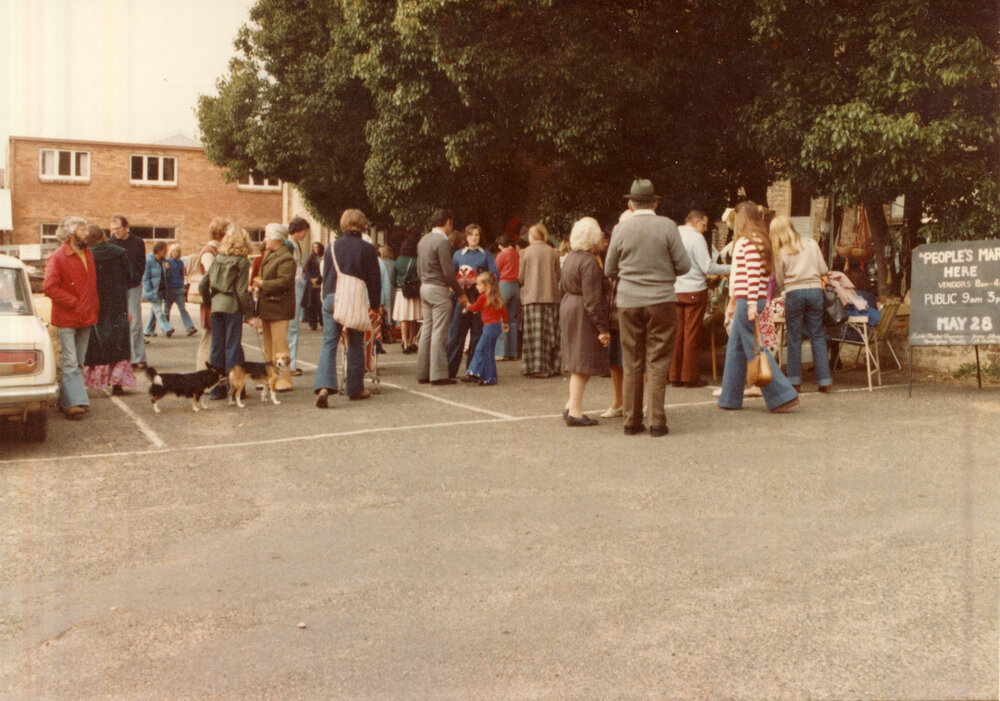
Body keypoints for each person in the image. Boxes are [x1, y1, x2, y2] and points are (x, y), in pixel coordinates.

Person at [605, 179, 691, 437]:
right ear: (656, 202)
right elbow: (684, 266)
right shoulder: (667, 226)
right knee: (658, 360)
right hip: (661, 300)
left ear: (629, 203)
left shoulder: (621, 229)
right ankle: (656, 422)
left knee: (631, 360)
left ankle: (631, 421)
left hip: (629, 302)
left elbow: (609, 269)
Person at [717, 201, 800, 413]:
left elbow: (751, 277)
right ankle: (729, 398)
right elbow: (748, 277)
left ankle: (783, 396)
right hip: (749, 300)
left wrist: (749, 304)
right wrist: (734, 303)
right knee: (736, 349)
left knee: (755, 349)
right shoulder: (761, 241)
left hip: (749, 301)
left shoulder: (748, 242)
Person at [314, 209, 382, 406]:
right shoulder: (368, 249)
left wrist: (327, 298)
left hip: (331, 298)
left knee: (329, 342)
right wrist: (375, 305)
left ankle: (324, 386)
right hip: (352, 299)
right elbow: (374, 281)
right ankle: (355, 388)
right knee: (355, 343)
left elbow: (326, 275)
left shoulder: (331, 246)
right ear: (363, 225)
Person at [43, 216, 99, 419]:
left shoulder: (88, 254)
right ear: (71, 233)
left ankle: (66, 400)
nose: (87, 233)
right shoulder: (57, 257)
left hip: (87, 315)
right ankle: (75, 403)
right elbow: (49, 287)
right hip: (68, 317)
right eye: (82, 229)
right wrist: (73, 302)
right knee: (70, 361)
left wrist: (91, 307)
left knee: (79, 361)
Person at [771, 215, 832, 393]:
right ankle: (825, 381)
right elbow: (823, 270)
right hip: (814, 291)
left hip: (794, 293)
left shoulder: (781, 251)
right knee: (818, 335)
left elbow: (780, 278)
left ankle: (795, 382)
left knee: (794, 338)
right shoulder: (811, 243)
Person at [670, 209, 731, 388]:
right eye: (704, 224)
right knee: (692, 334)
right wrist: (732, 268)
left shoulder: (674, 233)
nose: (705, 229)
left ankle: (674, 374)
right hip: (694, 290)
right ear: (696, 222)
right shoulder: (696, 238)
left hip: (675, 289)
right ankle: (689, 376)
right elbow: (707, 267)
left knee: (678, 333)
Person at [560, 217, 611, 427]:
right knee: (582, 364)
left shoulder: (571, 257)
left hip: (569, 305)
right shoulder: (589, 262)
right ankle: (575, 412)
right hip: (582, 310)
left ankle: (571, 404)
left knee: (578, 360)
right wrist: (602, 328)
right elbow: (592, 300)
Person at [416, 208, 468, 385]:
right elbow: (447, 272)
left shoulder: (423, 240)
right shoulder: (442, 241)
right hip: (438, 288)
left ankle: (423, 372)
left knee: (427, 331)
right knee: (439, 331)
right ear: (448, 222)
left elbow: (419, 268)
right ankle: (438, 374)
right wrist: (460, 293)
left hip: (425, 286)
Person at [199, 225, 253, 395]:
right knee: (232, 348)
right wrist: (250, 315)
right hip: (233, 307)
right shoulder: (242, 262)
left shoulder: (218, 258)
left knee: (216, 348)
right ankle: (235, 390)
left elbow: (202, 284)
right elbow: (242, 292)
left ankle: (216, 389)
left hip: (217, 306)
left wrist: (210, 302)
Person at [82, 225, 135, 396]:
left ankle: (95, 382)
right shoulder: (118, 252)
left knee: (97, 341)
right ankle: (117, 383)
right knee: (118, 341)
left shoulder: (86, 255)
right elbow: (130, 276)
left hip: (95, 303)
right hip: (117, 302)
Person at [446, 224, 499, 378]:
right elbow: (451, 276)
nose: (474, 238)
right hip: (462, 298)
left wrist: (479, 280)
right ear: (466, 237)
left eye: (477, 235)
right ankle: (450, 371)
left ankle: (473, 371)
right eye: (471, 235)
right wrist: (456, 285)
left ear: (480, 237)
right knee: (456, 335)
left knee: (477, 335)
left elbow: (495, 276)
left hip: (479, 298)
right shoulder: (458, 255)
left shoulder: (486, 255)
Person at [252, 225, 297, 390]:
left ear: (277, 238)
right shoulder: (269, 254)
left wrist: (264, 284)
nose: (265, 240)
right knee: (269, 345)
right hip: (268, 307)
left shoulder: (286, 258)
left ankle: (284, 380)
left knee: (280, 345)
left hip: (280, 308)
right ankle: (271, 377)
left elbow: (285, 282)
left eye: (267, 236)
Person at [518, 223, 562, 378]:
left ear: (531, 236)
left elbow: (521, 277)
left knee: (534, 334)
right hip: (551, 297)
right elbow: (558, 275)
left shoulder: (525, 253)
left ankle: (534, 367)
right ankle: (552, 366)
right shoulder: (554, 252)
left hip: (531, 297)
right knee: (550, 333)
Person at [189, 217, 229, 376]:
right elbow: (214, 276)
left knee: (213, 338)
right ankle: (202, 374)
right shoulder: (209, 252)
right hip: (212, 301)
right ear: (221, 234)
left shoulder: (216, 250)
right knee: (209, 338)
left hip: (215, 300)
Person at [109, 214, 147, 370]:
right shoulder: (111, 243)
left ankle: (139, 357)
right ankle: (124, 358)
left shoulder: (138, 243)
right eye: (112, 229)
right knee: (120, 324)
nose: (115, 232)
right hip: (116, 289)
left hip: (133, 287)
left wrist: (135, 280)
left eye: (118, 229)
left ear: (126, 227)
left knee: (135, 323)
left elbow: (141, 264)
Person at [462, 272, 509, 386]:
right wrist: (505, 323)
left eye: (479, 285)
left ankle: (474, 372)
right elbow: (504, 311)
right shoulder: (496, 297)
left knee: (480, 349)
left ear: (486, 286)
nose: (477, 287)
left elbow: (474, 308)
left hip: (489, 328)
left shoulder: (483, 297)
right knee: (488, 352)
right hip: (496, 326)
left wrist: (467, 304)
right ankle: (489, 378)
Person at [286, 217, 311, 377]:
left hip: (297, 284)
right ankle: (291, 364)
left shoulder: (295, 245)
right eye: (304, 232)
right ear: (299, 230)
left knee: (293, 326)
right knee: (293, 326)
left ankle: (291, 362)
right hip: (293, 285)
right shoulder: (289, 245)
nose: (305, 235)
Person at [391, 236, 422, 353]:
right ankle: (411, 342)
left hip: (401, 292)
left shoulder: (398, 261)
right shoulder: (417, 261)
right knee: (413, 319)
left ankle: (404, 342)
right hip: (414, 292)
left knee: (404, 319)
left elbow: (393, 280)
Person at [494, 234, 520, 361]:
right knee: (513, 319)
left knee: (500, 317)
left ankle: (500, 351)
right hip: (516, 285)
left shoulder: (502, 254)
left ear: (500, 245)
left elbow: (495, 270)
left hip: (504, 284)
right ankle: (513, 351)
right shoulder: (517, 253)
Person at [163, 244, 197, 336]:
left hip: (179, 289)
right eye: (174, 251)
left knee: (182, 309)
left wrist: (182, 286)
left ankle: (190, 327)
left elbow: (182, 276)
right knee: (166, 310)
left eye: (177, 251)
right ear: (171, 252)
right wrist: (167, 270)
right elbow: (165, 276)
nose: (176, 253)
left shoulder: (181, 263)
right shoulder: (167, 262)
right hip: (169, 289)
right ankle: (167, 328)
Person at [142, 241, 174, 338]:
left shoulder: (164, 261)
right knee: (158, 311)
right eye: (164, 250)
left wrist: (168, 270)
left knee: (154, 310)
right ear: (159, 250)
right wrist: (149, 289)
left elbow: (167, 277)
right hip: (153, 291)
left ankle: (148, 330)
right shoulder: (149, 260)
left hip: (162, 290)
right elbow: (145, 276)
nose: (166, 252)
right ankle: (167, 328)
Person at [302, 242, 324, 330]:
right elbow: (306, 269)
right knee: (310, 304)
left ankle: (323, 322)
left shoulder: (322, 257)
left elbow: (323, 271)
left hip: (320, 282)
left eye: (317, 247)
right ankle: (312, 323)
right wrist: (312, 279)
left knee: (319, 304)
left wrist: (318, 279)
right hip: (310, 283)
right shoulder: (310, 257)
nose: (316, 249)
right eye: (314, 247)